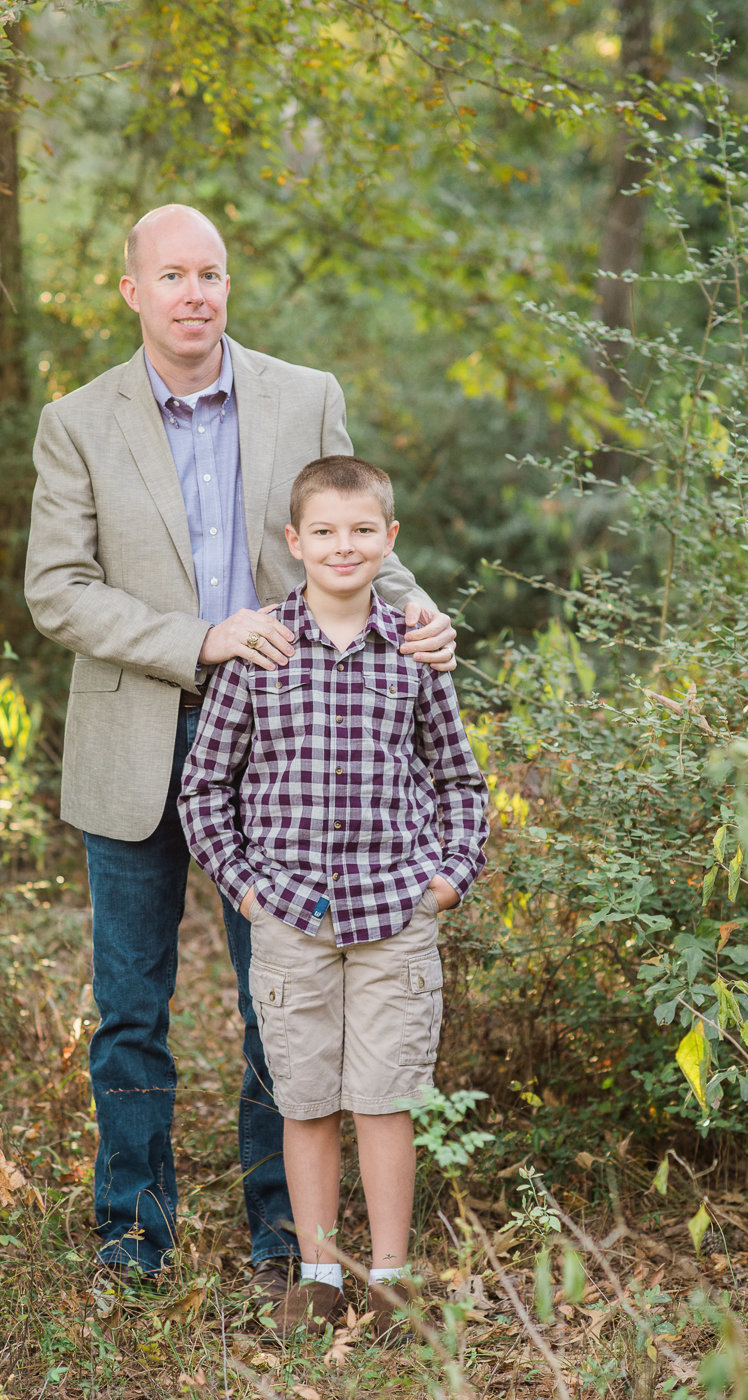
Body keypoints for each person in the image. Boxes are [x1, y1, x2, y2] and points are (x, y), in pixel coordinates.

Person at [24, 204, 460, 1291]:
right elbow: (55, 589)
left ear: (228, 285)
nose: (192, 292)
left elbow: (346, 536)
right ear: (132, 291)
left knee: (285, 992)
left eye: (209, 271)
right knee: (131, 1004)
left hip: (287, 749)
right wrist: (199, 637)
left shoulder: (302, 397)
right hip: (136, 730)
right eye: (170, 273)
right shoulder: (76, 421)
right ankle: (131, 1233)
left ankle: (286, 1234)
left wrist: (424, 615)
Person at [179, 455, 488, 1339]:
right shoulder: (259, 652)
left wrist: (445, 881)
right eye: (324, 531)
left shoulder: (414, 652)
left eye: (362, 531)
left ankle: (391, 1277)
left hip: (397, 916)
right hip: (291, 918)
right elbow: (206, 789)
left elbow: (460, 782)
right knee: (306, 1098)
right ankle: (317, 1274)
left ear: (389, 540)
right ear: (294, 543)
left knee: (386, 1095)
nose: (343, 546)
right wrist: (244, 888)